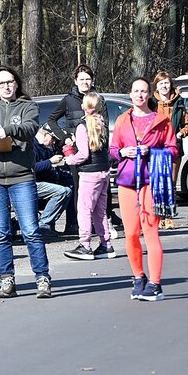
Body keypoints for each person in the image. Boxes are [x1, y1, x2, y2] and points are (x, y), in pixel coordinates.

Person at [0, 66, 52, 299]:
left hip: (21, 177)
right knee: (0, 232)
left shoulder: (28, 106)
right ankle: (7, 279)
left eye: (9, 82)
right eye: (1, 83)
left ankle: (42, 278)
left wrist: (7, 131)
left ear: (16, 84)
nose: (6, 86)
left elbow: (29, 129)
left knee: (30, 230)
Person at [110, 77, 178, 301]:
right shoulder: (122, 120)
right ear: (130, 94)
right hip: (127, 182)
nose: (140, 95)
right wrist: (122, 153)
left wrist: (153, 151)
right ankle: (138, 277)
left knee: (150, 232)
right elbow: (113, 149)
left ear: (149, 95)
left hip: (152, 182)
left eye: (143, 91)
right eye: (136, 91)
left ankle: (155, 284)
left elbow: (173, 150)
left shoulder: (161, 120)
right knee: (130, 234)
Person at [46, 64, 111, 235]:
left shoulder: (99, 99)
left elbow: (105, 125)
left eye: (88, 79)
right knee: (78, 189)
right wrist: (64, 137)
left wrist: (106, 151)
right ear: (75, 81)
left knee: (101, 193)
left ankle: (101, 226)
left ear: (92, 81)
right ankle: (77, 227)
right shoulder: (68, 100)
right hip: (78, 153)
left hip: (97, 154)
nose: (85, 82)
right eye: (81, 79)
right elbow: (52, 120)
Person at [62, 92, 115, 260]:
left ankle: (85, 245)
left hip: (89, 173)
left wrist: (70, 159)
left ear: (83, 106)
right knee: (100, 210)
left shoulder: (82, 126)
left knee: (84, 210)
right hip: (103, 171)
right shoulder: (102, 123)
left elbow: (83, 154)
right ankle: (106, 244)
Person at [151, 71, 188, 230]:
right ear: (156, 86)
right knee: (158, 184)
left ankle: (168, 217)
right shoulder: (152, 103)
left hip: (174, 148)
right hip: (156, 148)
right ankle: (158, 217)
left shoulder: (179, 102)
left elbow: (186, 124)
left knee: (171, 185)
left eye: (166, 83)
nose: (164, 86)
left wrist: (180, 134)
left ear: (170, 85)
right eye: (161, 83)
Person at [32, 124, 73, 237]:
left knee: (70, 184)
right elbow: (32, 168)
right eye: (53, 138)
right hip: (31, 184)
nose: (54, 142)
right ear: (46, 134)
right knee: (63, 191)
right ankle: (44, 224)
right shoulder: (31, 145)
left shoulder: (47, 147)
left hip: (44, 181)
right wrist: (50, 162)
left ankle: (71, 224)